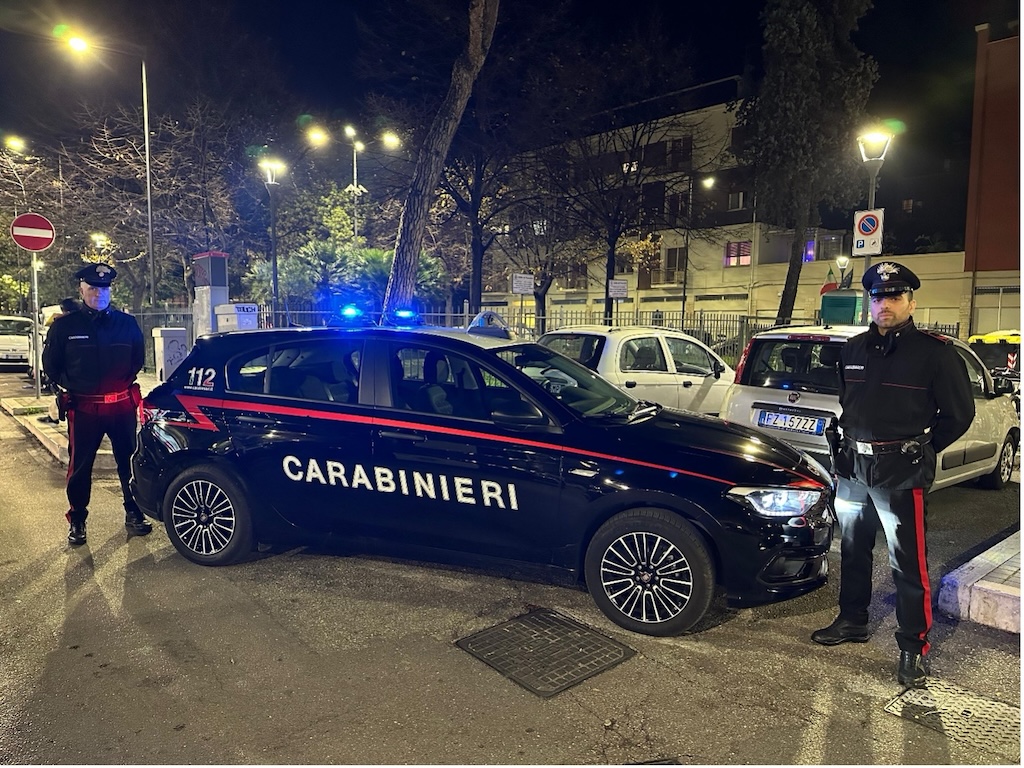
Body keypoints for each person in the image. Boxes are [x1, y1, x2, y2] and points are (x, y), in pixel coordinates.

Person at [811, 261, 975, 688]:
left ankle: (912, 647)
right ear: (869, 302)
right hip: (853, 469)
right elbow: (851, 405)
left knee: (907, 564)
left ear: (911, 302)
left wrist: (921, 450)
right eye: (878, 297)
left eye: (894, 296)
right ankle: (852, 620)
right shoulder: (853, 350)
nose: (885, 304)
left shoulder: (935, 354)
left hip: (900, 473)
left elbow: (959, 414)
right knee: (851, 549)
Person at [42, 263, 152, 546]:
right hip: (85, 409)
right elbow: (51, 366)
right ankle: (77, 519)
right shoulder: (66, 327)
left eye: (103, 288)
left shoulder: (126, 324)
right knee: (80, 466)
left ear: (110, 290)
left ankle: (134, 511)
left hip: (120, 409)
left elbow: (137, 360)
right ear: (82, 289)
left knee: (129, 461)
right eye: (92, 287)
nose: (98, 293)